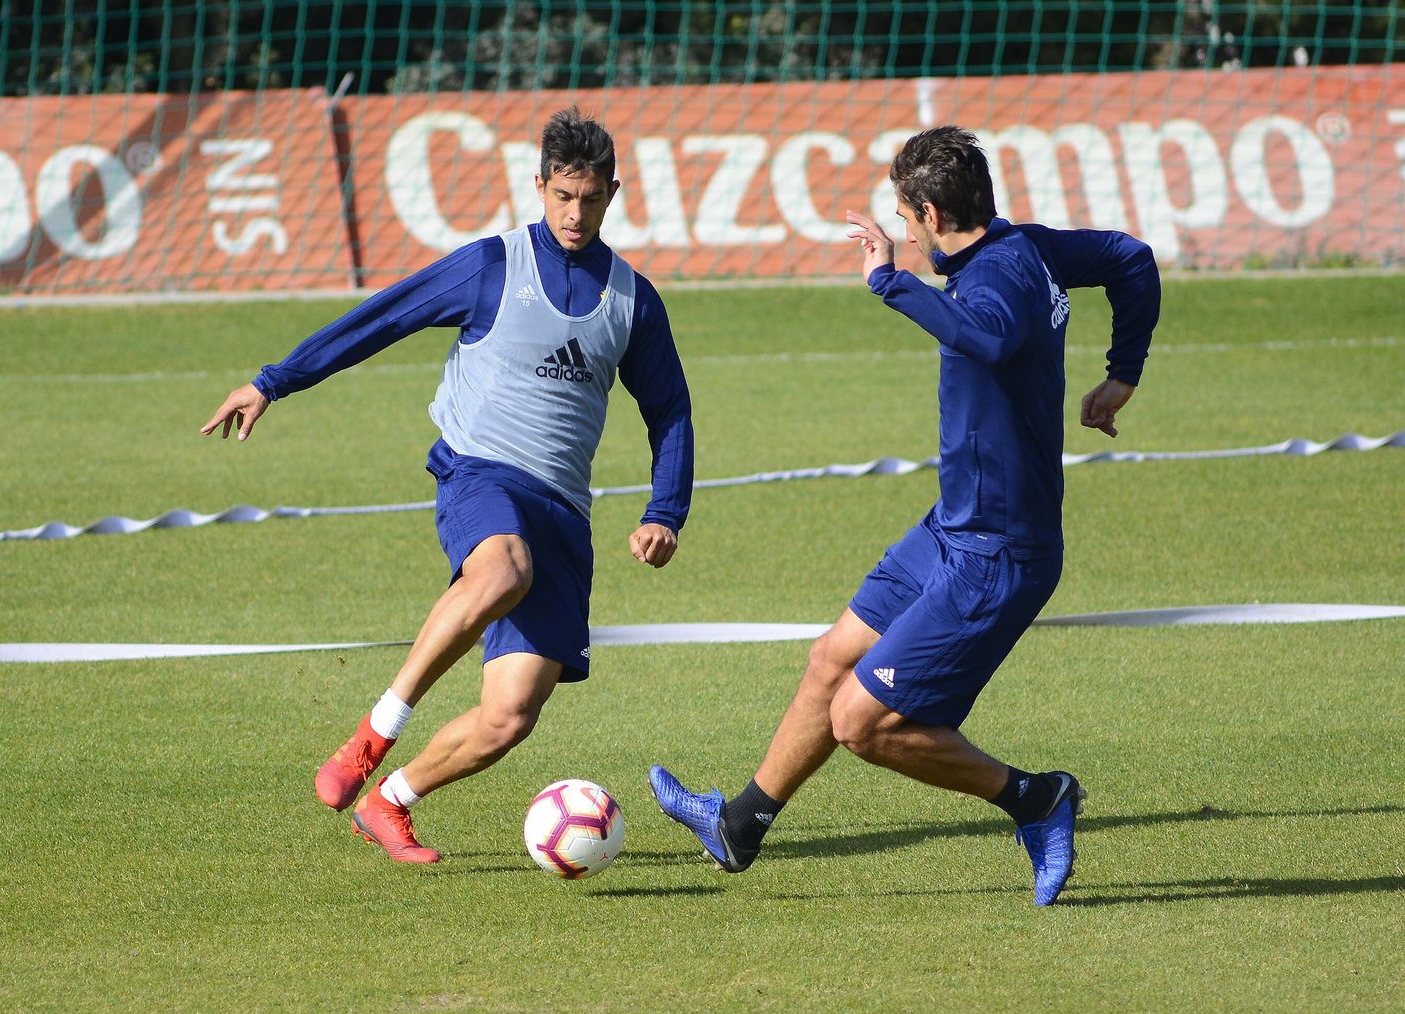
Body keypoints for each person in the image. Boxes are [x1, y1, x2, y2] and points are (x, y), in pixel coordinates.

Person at [649, 126, 1160, 906]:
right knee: (830, 659)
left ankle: (1038, 799)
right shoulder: (1035, 248)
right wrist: (1123, 373)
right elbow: (1131, 258)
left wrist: (892, 284)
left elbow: (986, 337)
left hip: (999, 554)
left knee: (862, 721)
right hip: (951, 528)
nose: (900, 230)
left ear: (928, 211)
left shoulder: (998, 282)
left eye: (902, 215)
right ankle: (739, 826)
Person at [202, 107, 693, 864]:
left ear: (613, 193)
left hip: (563, 511)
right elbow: (383, 318)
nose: (575, 212)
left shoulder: (632, 299)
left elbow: (670, 410)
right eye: (562, 195)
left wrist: (666, 510)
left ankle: (390, 802)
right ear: (539, 186)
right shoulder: (493, 265)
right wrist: (275, 381)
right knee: (503, 568)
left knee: (509, 717)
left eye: (590, 198)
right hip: (481, 474)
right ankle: (373, 734)